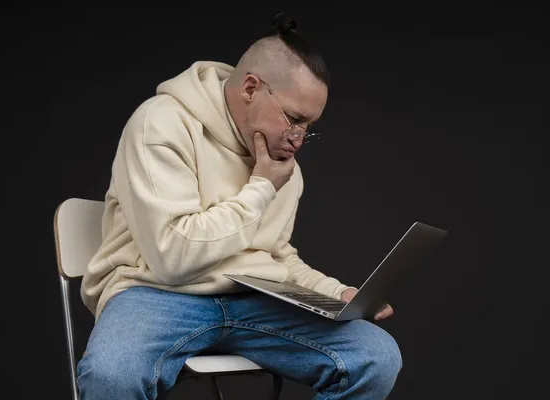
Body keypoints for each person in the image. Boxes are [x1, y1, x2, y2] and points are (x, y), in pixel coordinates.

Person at [77, 12, 401, 400]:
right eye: (294, 119)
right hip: (156, 293)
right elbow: (172, 259)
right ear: (250, 88)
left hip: (253, 299)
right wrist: (261, 187)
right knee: (111, 374)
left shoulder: (281, 164)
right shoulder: (161, 125)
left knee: (376, 356)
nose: (297, 139)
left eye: (308, 127)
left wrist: (337, 294)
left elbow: (275, 256)